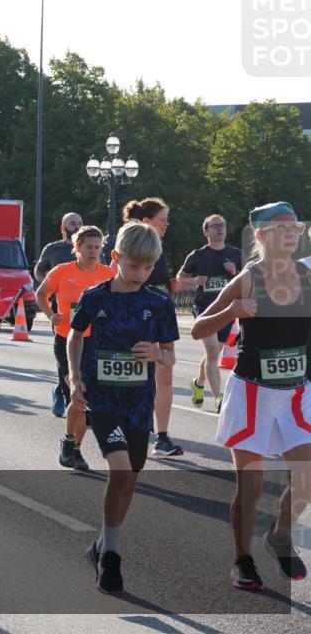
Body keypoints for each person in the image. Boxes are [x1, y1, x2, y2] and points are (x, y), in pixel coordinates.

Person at [192, 202, 310, 590]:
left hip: (296, 392)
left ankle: (278, 535)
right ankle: (243, 559)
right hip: (252, 393)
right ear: (260, 236)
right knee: (252, 485)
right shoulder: (249, 277)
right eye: (280, 229)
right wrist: (234, 311)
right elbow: (198, 328)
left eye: (294, 227)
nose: (290, 234)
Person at [69, 221, 179, 596]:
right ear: (116, 258)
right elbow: (74, 335)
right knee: (119, 470)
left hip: (138, 402)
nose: (141, 274)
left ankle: (101, 544)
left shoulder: (159, 302)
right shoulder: (95, 297)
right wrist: (74, 379)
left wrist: (158, 354)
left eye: (148, 267)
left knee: (129, 478)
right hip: (103, 400)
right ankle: (112, 555)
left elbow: (170, 355)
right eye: (134, 266)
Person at [35, 226, 114, 470]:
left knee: (88, 401)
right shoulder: (62, 271)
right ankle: (70, 444)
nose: (93, 251)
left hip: (98, 342)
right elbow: (41, 294)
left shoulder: (109, 274)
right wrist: (51, 315)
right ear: (77, 248)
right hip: (67, 340)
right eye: (88, 247)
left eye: (97, 247)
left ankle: (73, 448)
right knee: (78, 392)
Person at [112, 198, 184, 458]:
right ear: (146, 221)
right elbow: (114, 277)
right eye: (163, 218)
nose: (167, 223)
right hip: (131, 318)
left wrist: (170, 283)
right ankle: (118, 424)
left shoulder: (159, 247)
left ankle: (162, 437)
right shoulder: (130, 247)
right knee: (132, 374)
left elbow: (158, 281)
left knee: (165, 372)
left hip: (158, 315)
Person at [177, 215, 244, 413]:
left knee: (212, 354)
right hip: (204, 309)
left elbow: (248, 280)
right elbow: (181, 278)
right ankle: (218, 398)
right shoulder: (198, 255)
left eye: (222, 225)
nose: (219, 229)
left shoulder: (236, 254)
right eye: (214, 226)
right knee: (213, 352)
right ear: (206, 231)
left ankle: (198, 384)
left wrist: (234, 272)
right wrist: (194, 281)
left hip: (226, 311)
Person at [36, 212, 84, 415]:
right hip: (61, 309)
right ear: (63, 228)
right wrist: (51, 284)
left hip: (85, 307)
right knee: (64, 351)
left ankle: (65, 389)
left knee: (83, 354)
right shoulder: (53, 249)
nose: (77, 226)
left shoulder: (87, 248)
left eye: (80, 223)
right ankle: (65, 395)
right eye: (73, 223)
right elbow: (38, 271)